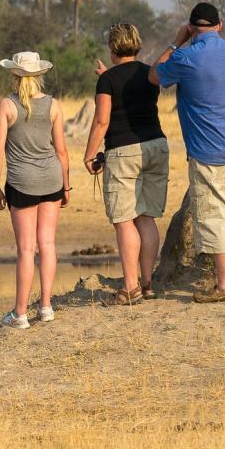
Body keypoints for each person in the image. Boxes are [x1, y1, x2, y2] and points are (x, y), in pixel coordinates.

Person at [149, 2, 225, 303]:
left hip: (209, 151)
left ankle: (224, 286)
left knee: (215, 215)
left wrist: (176, 42)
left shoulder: (185, 57)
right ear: (219, 25)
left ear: (190, 27)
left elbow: (154, 77)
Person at [83, 23, 170, 305]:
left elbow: (102, 120)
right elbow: (132, 90)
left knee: (123, 220)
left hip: (124, 151)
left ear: (111, 49)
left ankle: (129, 287)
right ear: (137, 44)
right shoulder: (149, 73)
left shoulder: (107, 80)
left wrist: (89, 154)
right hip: (156, 145)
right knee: (146, 217)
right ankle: (147, 284)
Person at [0, 52, 70, 329]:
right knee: (47, 243)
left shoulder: (7, 105)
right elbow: (61, 150)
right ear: (39, 76)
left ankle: (20, 313)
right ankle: (46, 306)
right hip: (51, 179)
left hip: (21, 181)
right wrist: (66, 186)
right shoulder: (53, 105)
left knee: (26, 248)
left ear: (14, 75)